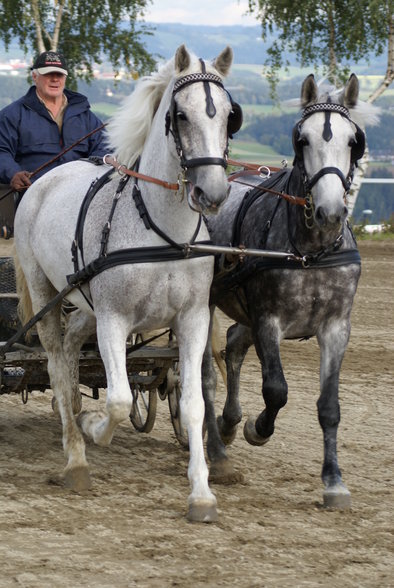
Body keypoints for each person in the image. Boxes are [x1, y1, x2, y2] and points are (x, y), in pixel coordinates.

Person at [0, 50, 107, 200]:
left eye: (59, 75)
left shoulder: (85, 115)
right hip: (33, 197)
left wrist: (92, 171)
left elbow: (105, 146)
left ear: (65, 78)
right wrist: (13, 174)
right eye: (48, 74)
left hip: (80, 197)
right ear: (35, 77)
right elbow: (2, 151)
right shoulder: (12, 115)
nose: (54, 79)